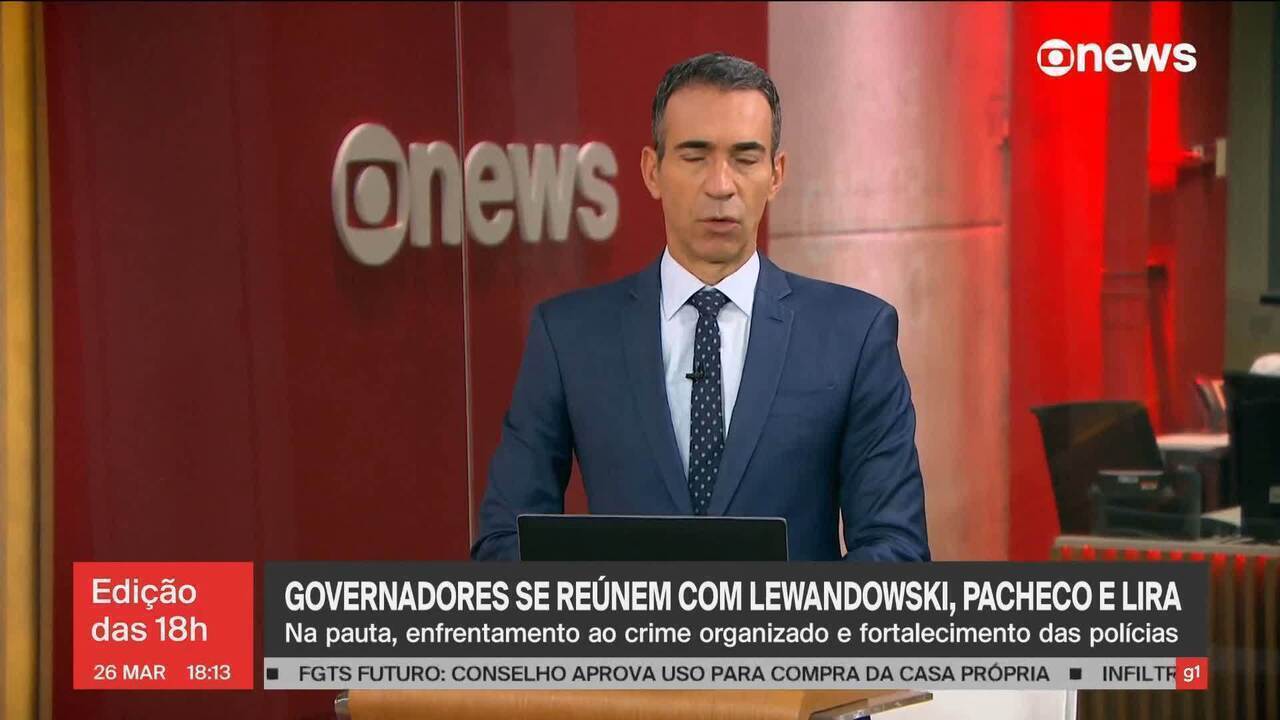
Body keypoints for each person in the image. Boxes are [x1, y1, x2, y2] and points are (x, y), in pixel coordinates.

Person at [471, 52, 929, 562]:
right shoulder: (569, 337)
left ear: (776, 174)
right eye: (695, 156)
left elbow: (897, 549)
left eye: (745, 158)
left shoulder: (854, 336)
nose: (720, 185)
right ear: (652, 171)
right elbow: (503, 543)